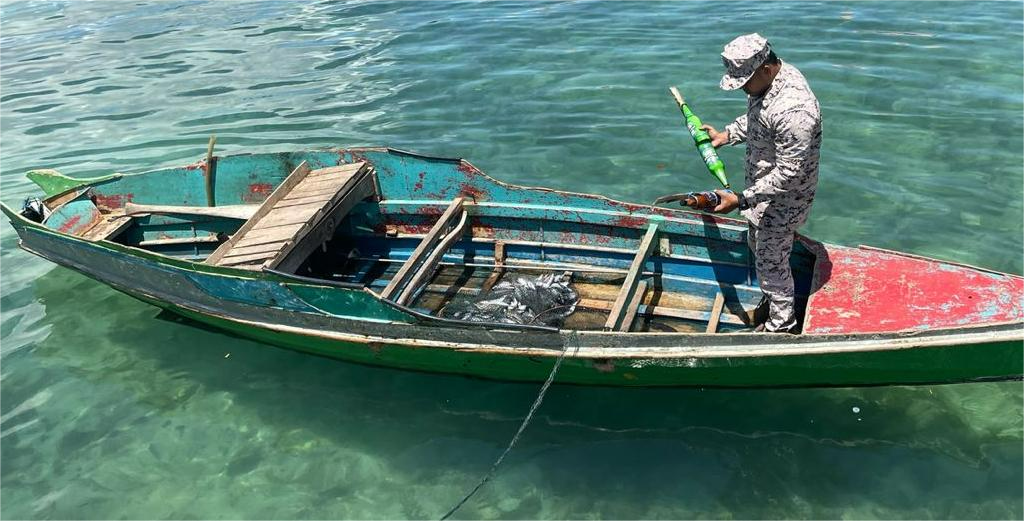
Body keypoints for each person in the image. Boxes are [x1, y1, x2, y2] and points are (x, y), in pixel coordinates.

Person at [694, 33, 822, 333]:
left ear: (765, 68)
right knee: (760, 248)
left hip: (782, 201)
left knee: (771, 264)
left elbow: (790, 174)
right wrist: (727, 134)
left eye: (745, 82)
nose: (743, 89)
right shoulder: (771, 80)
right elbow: (760, 117)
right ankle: (774, 301)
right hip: (761, 193)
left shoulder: (795, 111)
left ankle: (781, 325)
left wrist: (741, 198)